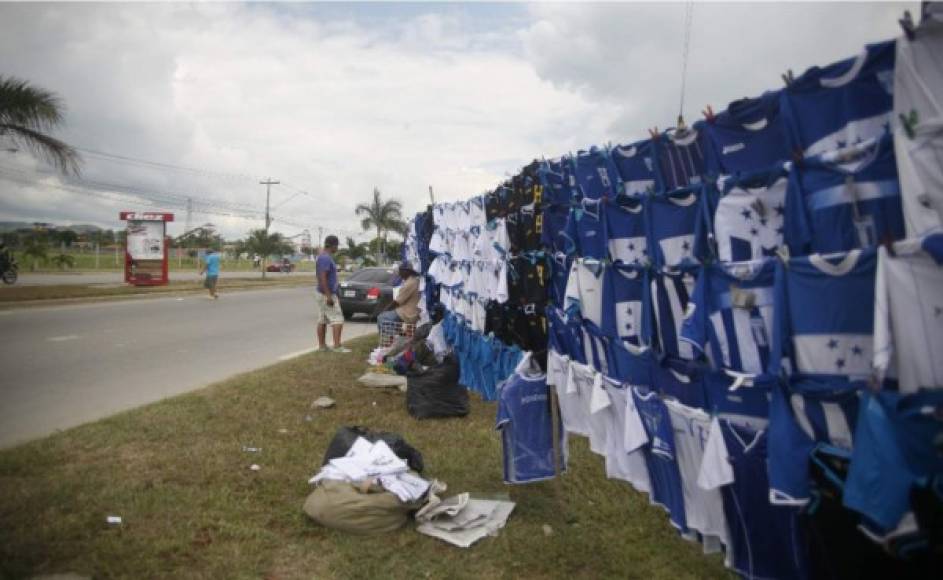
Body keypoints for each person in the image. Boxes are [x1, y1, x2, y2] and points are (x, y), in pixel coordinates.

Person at [315, 235, 350, 353]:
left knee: (322, 320)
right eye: (337, 246)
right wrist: (329, 295)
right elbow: (323, 277)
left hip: (322, 292)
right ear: (333, 245)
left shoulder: (324, 257)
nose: (337, 248)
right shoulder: (325, 258)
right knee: (338, 319)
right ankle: (337, 346)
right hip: (326, 293)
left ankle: (322, 346)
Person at [377, 261, 421, 332]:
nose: (399, 273)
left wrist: (385, 310)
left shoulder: (410, 283)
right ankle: (397, 334)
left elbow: (397, 302)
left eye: (401, 270)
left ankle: (391, 339)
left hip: (409, 313)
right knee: (387, 316)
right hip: (409, 310)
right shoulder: (413, 280)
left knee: (382, 317)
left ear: (407, 271)